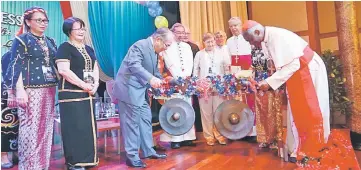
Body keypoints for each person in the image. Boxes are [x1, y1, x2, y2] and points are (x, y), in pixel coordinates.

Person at [242, 20, 330, 162]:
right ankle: (298, 147)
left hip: (307, 71)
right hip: (295, 75)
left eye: (251, 40)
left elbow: (293, 64)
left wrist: (269, 83)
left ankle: (314, 147)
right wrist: (267, 82)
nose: (252, 44)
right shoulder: (265, 39)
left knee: (311, 110)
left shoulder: (277, 37)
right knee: (295, 112)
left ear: (257, 32)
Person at [4, 6, 58, 170]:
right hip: (30, 89)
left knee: (46, 128)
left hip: (49, 88)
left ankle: (42, 165)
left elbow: (56, 65)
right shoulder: (22, 40)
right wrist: (18, 90)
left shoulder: (50, 41)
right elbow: (15, 65)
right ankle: (28, 166)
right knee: (30, 128)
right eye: (39, 20)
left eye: (45, 20)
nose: (43, 23)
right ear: (28, 22)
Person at [112, 28, 174, 168]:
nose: (166, 48)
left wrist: (164, 80)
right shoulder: (140, 45)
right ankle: (132, 156)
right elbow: (134, 65)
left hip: (140, 90)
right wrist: (151, 79)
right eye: (167, 45)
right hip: (129, 90)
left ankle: (148, 150)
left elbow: (154, 71)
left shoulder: (155, 50)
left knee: (145, 120)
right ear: (158, 39)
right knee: (131, 124)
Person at [56, 17, 99, 170]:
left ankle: (88, 160)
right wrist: (83, 85)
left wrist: (95, 85)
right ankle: (74, 162)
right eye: (77, 28)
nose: (81, 31)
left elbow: (94, 68)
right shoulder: (65, 47)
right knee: (74, 128)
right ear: (69, 31)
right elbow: (63, 71)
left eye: (82, 28)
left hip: (87, 94)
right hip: (71, 94)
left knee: (87, 127)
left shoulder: (89, 49)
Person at [159, 23, 197, 149]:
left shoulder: (187, 47)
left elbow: (190, 63)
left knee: (187, 108)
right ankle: (175, 138)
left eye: (182, 32)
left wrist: (186, 79)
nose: (180, 35)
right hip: (174, 83)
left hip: (186, 83)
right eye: (178, 32)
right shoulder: (168, 47)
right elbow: (169, 64)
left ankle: (188, 137)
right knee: (174, 110)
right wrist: (177, 80)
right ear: (172, 33)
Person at [193, 33, 230, 146]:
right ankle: (209, 136)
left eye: (212, 41)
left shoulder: (221, 53)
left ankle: (220, 135)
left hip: (219, 86)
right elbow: (195, 70)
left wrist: (226, 83)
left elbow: (226, 69)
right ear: (204, 43)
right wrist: (197, 84)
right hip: (204, 88)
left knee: (218, 112)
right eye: (208, 42)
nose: (210, 44)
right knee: (206, 113)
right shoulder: (199, 54)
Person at [226, 17, 256, 142]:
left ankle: (251, 132)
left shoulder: (247, 38)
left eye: (236, 25)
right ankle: (239, 131)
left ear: (240, 25)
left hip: (248, 74)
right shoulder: (228, 41)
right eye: (231, 26)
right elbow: (228, 59)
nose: (233, 28)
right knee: (237, 103)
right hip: (235, 75)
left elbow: (253, 56)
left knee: (250, 103)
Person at [250, 47, 284, 150]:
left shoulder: (272, 48)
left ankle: (275, 139)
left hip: (272, 84)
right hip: (258, 84)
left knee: (272, 112)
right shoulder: (254, 51)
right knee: (261, 111)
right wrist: (252, 80)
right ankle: (264, 138)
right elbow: (253, 68)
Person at [1, 51, 19, 169]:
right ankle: (3, 154)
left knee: (21, 125)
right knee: (6, 124)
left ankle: (17, 151)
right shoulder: (9, 55)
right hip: (7, 91)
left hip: (24, 91)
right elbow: (7, 74)